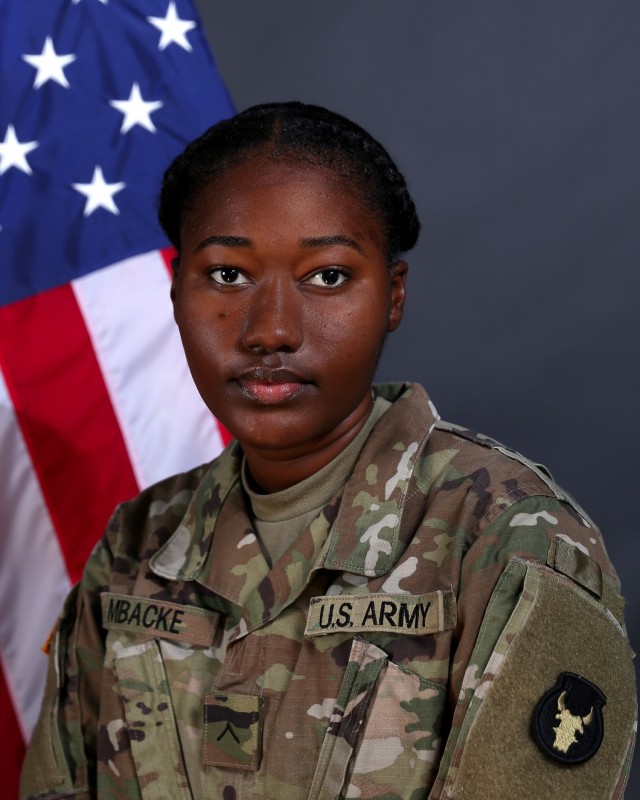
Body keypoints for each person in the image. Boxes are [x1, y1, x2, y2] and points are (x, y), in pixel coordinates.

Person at [21, 102, 636, 800]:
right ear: (175, 292)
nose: (270, 331)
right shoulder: (137, 544)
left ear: (394, 297)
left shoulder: (508, 538)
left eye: (327, 276)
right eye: (227, 274)